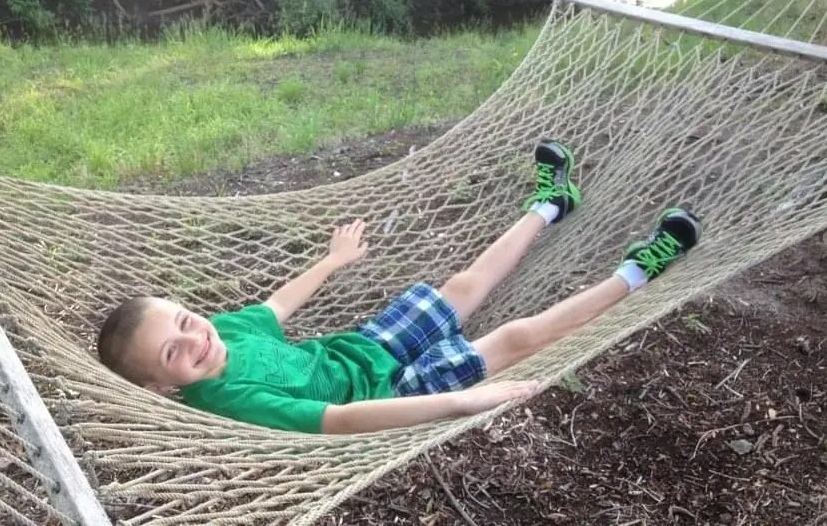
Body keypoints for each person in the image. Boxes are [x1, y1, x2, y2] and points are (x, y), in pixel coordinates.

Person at [97, 141, 701, 434]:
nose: (193, 339)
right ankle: (641, 270)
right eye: (173, 352)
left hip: (366, 346)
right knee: (512, 336)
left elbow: (278, 306)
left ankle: (549, 204)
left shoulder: (222, 329)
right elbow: (339, 418)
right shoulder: (226, 400)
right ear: (159, 384)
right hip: (395, 389)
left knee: (463, 285)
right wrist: (462, 403)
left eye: (182, 320)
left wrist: (332, 262)